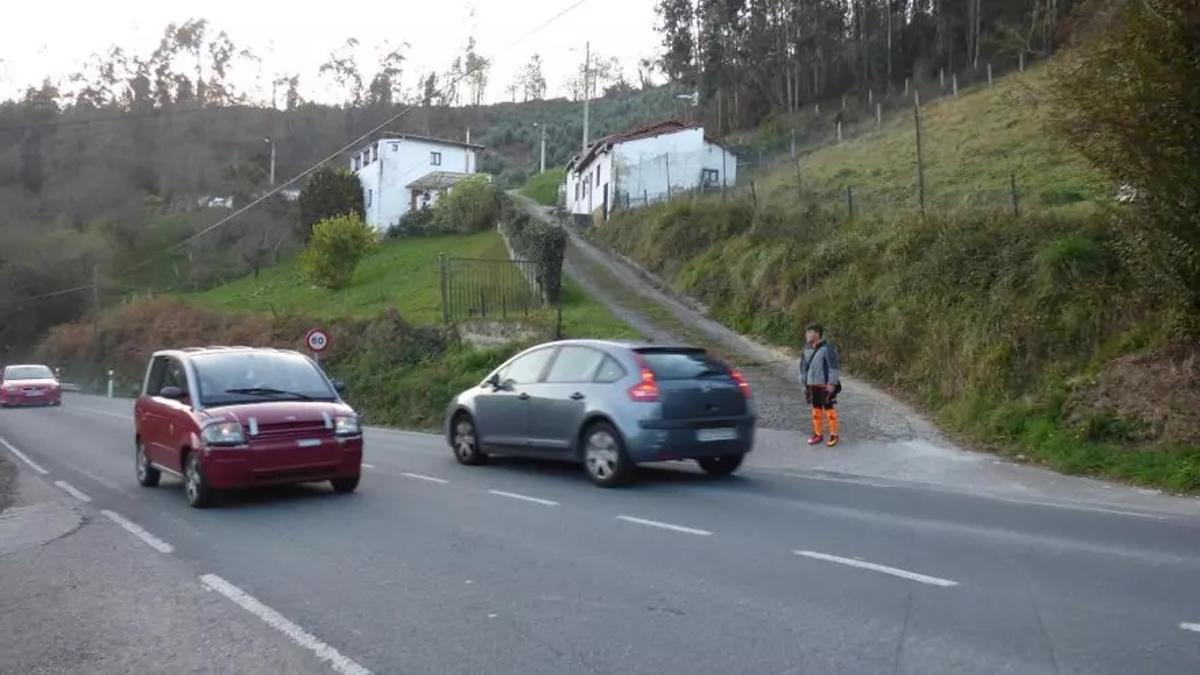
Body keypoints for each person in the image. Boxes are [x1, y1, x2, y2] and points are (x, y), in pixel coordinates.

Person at [798, 323, 841, 447]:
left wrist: (831, 384)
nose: (807, 335)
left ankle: (833, 435)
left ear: (817, 334)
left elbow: (834, 367)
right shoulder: (806, 350)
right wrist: (803, 385)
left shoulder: (827, 348)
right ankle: (818, 434)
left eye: (810, 332)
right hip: (812, 385)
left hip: (826, 385)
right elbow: (802, 369)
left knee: (829, 411)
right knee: (816, 411)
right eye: (806, 332)